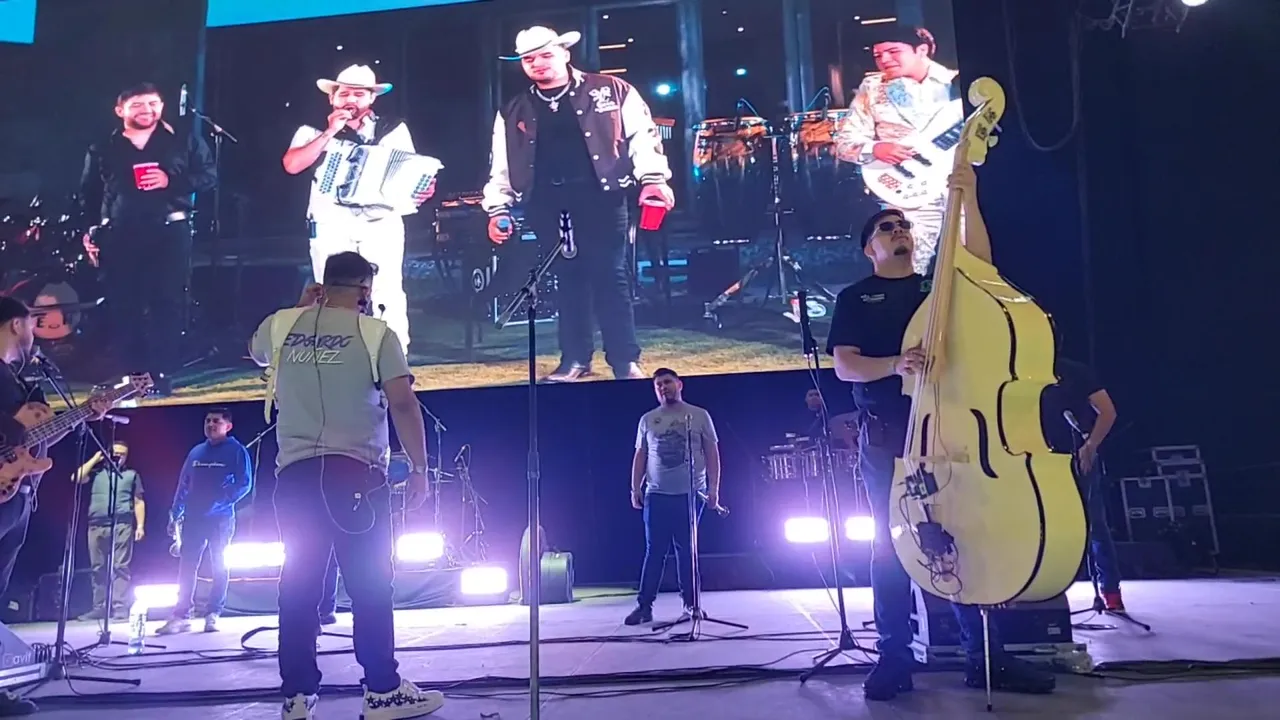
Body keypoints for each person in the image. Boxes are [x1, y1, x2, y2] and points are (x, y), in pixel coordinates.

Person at [825, 166, 1055, 701]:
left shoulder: (940, 287)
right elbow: (845, 366)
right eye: (886, 228)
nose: (899, 232)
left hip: (952, 432)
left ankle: (987, 658)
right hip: (889, 439)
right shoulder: (856, 298)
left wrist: (967, 194)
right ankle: (894, 658)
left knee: (965, 539)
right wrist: (896, 365)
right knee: (891, 546)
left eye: (903, 225)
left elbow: (982, 265)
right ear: (869, 250)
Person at [249, 251, 443, 720]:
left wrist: (300, 307)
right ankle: (382, 691)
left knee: (298, 586)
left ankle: (297, 697)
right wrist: (419, 468)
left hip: (295, 478)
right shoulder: (376, 333)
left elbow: (255, 351)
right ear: (364, 290)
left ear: (322, 284)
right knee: (370, 584)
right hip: (355, 474)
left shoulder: (280, 326)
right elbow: (403, 404)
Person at [483, 26, 675, 382]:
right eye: (529, 59)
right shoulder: (513, 109)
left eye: (545, 55)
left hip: (601, 196)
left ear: (565, 53)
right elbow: (503, 163)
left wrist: (653, 178)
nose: (537, 63)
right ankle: (574, 359)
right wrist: (498, 207)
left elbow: (643, 137)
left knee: (611, 276)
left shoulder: (612, 89)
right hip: (546, 200)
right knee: (567, 279)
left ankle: (624, 360)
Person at [0, 297, 109, 715]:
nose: (35, 333)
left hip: (18, 495)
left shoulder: (23, 381)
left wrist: (83, 415)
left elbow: (35, 439)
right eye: (31, 323)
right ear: (15, 324)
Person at [282, 64, 436, 358]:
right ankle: (337, 356)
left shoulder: (392, 129)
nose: (350, 100)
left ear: (371, 99)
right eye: (344, 94)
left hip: (380, 220)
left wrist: (422, 189)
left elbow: (410, 171)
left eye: (359, 94)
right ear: (332, 98)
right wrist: (330, 132)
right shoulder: (311, 130)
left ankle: (393, 358)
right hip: (330, 221)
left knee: (386, 289)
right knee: (332, 290)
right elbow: (292, 165)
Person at [80, 82, 217, 395]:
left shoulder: (182, 140)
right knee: (123, 304)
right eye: (138, 105)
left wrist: (171, 180)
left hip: (169, 231)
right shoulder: (103, 147)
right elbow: (89, 193)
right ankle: (132, 374)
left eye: (153, 103)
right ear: (120, 111)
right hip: (120, 234)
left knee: (166, 303)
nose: (147, 110)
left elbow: (209, 176)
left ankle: (161, 373)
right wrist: (89, 231)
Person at [834, 26, 958, 275]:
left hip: (961, 183)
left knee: (971, 258)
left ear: (921, 50)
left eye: (893, 51)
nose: (884, 60)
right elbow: (844, 141)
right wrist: (876, 148)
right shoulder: (872, 88)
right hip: (907, 187)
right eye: (878, 55)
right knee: (909, 264)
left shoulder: (957, 83)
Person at [624, 368, 722, 625]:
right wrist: (635, 488)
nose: (663, 387)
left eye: (667, 382)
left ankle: (691, 604)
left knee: (687, 550)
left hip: (690, 494)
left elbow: (712, 453)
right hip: (657, 494)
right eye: (658, 384)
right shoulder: (648, 419)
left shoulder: (699, 415)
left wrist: (713, 489)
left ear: (679, 384)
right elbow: (640, 455)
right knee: (654, 551)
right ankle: (644, 606)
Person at [157, 408, 253, 635]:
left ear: (228, 426)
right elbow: (184, 483)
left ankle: (213, 613)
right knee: (187, 566)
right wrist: (175, 512)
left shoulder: (237, 451)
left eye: (216, 421)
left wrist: (220, 502)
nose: (210, 424)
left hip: (221, 519)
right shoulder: (196, 452)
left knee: (219, 565)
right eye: (208, 420)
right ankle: (181, 615)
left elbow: (244, 483)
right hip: (193, 518)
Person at [1042, 357, 1124, 610]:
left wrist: (1090, 445)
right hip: (1036, 458)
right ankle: (1044, 590)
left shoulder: (1074, 371)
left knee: (1095, 524)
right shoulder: (1016, 367)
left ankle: (1110, 591)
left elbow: (1107, 411)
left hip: (1077, 456)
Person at [72, 441, 145, 621]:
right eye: (115, 452)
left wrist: (140, 526)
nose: (118, 456)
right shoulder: (96, 473)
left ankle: (119, 607)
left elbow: (138, 501)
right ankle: (100, 607)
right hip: (96, 524)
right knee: (98, 567)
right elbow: (76, 478)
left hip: (122, 524)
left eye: (122, 454)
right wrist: (95, 458)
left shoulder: (131, 475)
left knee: (120, 566)